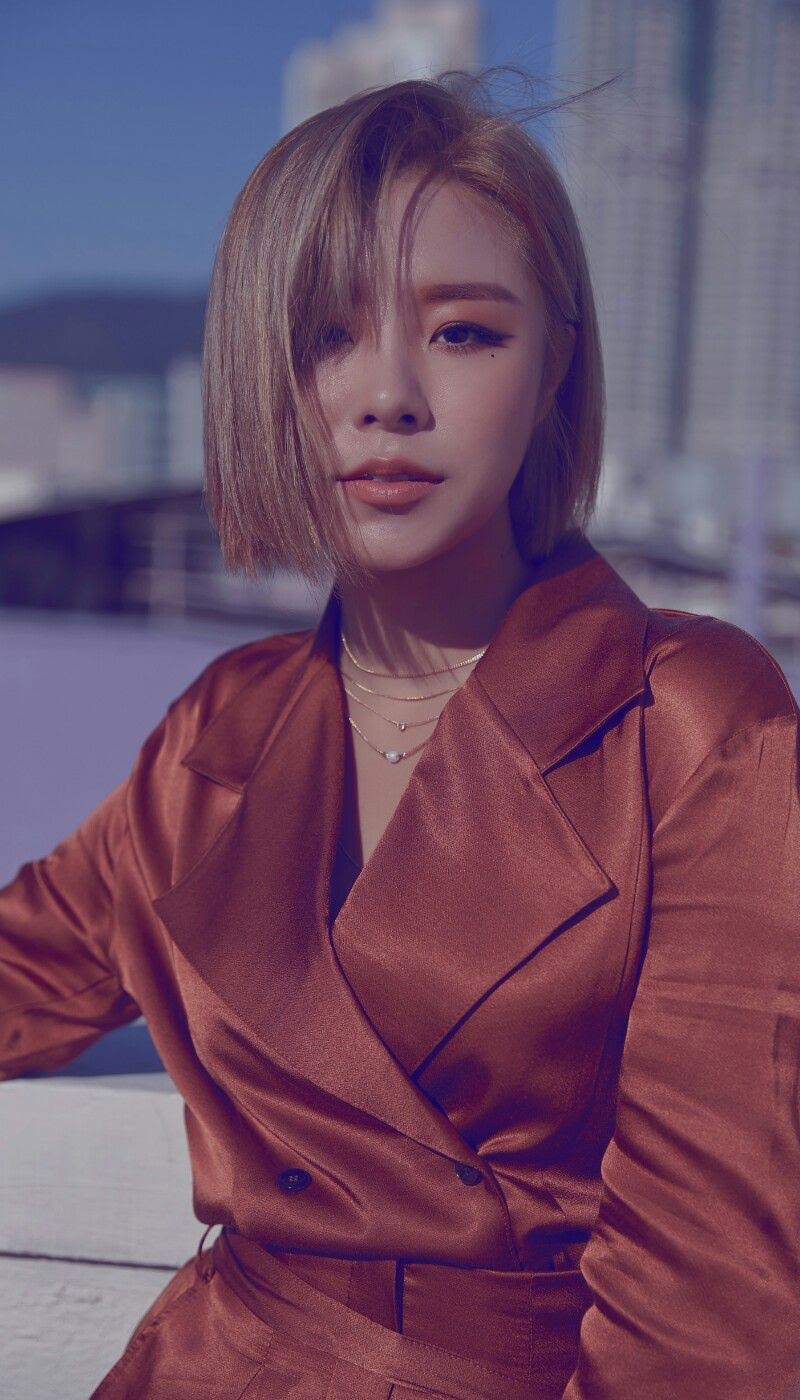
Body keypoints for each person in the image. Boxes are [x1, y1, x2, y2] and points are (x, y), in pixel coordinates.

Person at [1, 68, 799, 1400]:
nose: (388, 396)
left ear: (554, 366)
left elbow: (711, 1308)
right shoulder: (225, 726)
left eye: (464, 332)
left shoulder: (692, 720)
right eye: (327, 335)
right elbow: (25, 967)